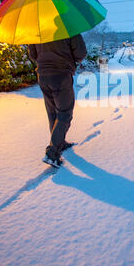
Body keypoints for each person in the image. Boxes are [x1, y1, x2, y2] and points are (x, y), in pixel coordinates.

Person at [28, 34, 87, 168]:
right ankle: (52, 153)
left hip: (43, 75)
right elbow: (81, 53)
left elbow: (32, 55)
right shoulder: (68, 29)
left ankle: (60, 142)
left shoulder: (37, 30)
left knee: (52, 112)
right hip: (61, 74)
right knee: (65, 113)